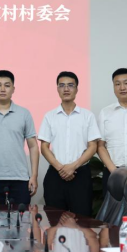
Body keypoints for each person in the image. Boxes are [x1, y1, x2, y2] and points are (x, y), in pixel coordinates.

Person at [38, 72, 101, 217]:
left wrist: (73, 166)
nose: (66, 89)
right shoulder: (49, 116)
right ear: (57, 89)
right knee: (55, 219)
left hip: (80, 174)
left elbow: (93, 146)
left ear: (77, 89)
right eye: (62, 85)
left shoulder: (87, 116)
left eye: (70, 85)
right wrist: (61, 168)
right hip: (55, 175)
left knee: (82, 220)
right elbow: (44, 147)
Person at [0, 70, 39, 206]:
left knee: (21, 218)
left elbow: (33, 146)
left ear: (13, 89)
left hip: (20, 178)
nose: (3, 89)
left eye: (7, 85)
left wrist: (34, 175)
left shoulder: (24, 113)